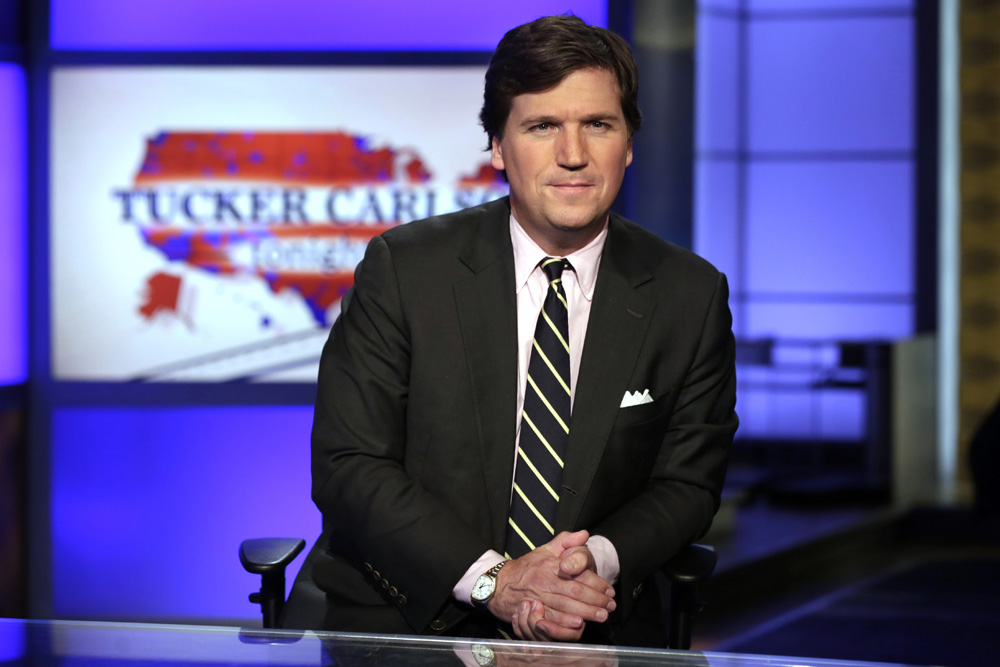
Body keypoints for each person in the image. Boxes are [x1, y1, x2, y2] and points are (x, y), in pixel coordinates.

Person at [308, 14, 737, 647]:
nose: (572, 154)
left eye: (598, 124)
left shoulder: (689, 294)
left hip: (591, 624)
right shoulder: (405, 269)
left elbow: (688, 484)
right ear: (499, 147)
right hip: (409, 621)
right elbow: (350, 464)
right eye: (542, 127)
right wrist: (495, 582)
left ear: (629, 143)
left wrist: (591, 565)